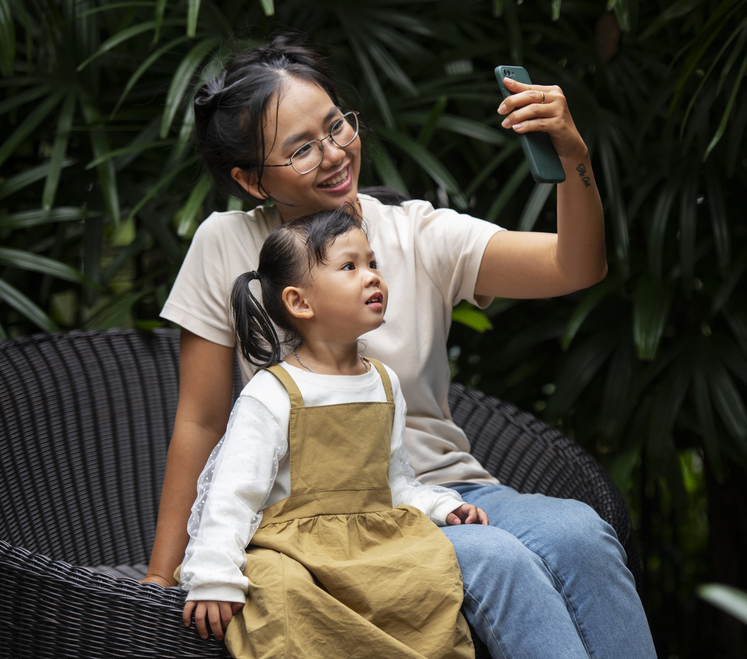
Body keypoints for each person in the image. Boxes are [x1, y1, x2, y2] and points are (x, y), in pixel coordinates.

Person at [148, 35, 657, 659]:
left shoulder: (417, 233)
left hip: (445, 491)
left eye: (337, 127)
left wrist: (572, 155)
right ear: (252, 180)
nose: (335, 154)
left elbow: (575, 266)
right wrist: (161, 575)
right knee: (498, 561)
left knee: (580, 531)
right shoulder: (224, 245)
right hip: (321, 516)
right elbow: (200, 419)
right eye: (302, 148)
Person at [179, 206, 483, 658]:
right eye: (349, 266)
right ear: (300, 302)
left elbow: (394, 481)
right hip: (294, 546)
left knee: (427, 574)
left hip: (374, 542)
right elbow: (232, 495)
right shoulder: (274, 391)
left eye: (373, 262)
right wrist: (214, 575)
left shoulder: (384, 382)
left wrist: (441, 505)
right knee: (277, 590)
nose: (372, 276)